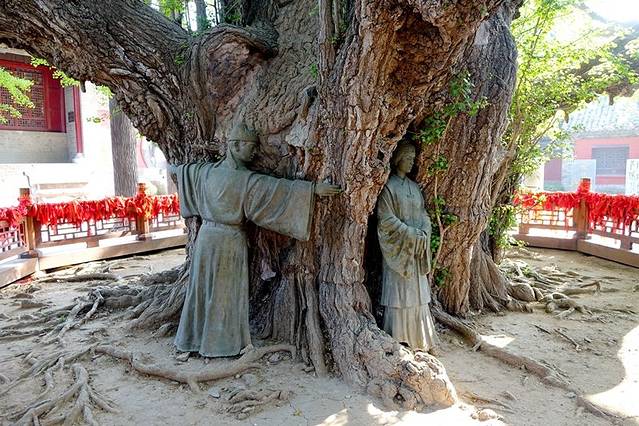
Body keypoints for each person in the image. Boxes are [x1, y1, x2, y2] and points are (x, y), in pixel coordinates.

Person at [170, 122, 341, 357]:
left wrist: (312, 190)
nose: (255, 152)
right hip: (225, 241)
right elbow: (278, 191)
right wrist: (311, 190)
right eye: (251, 147)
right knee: (216, 292)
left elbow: (183, 171)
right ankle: (214, 343)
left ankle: (203, 341)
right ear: (235, 146)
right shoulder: (235, 178)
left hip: (210, 239)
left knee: (213, 291)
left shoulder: (208, 173)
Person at [376, 141, 437, 353]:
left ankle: (420, 338)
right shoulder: (389, 187)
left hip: (417, 248)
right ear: (398, 159)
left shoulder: (415, 187)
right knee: (399, 295)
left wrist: (424, 232)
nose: (412, 162)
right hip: (399, 249)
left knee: (418, 295)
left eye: (413, 159)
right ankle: (399, 337)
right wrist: (409, 233)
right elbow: (386, 219)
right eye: (408, 158)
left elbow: (423, 214)